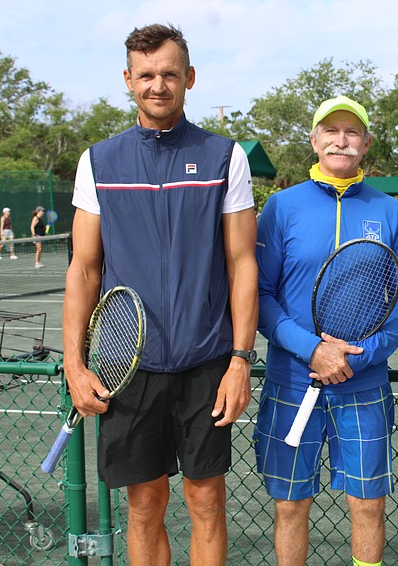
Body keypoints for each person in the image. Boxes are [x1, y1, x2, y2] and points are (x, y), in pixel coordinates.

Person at [63, 24, 258, 566]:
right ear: (128, 80)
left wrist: (240, 360)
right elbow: (83, 270)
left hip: (206, 365)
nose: (158, 84)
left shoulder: (225, 156)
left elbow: (243, 264)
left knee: (206, 500)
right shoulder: (99, 161)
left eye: (170, 73)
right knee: (145, 505)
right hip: (127, 365)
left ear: (189, 78)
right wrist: (75, 366)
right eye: (146, 74)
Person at [254, 95, 398, 566]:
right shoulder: (282, 208)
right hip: (291, 382)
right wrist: (312, 350)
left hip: (362, 385)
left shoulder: (389, 212)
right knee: (290, 506)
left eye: (351, 132)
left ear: (365, 144)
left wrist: (359, 356)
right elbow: (260, 296)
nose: (340, 139)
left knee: (368, 506)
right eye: (331, 131)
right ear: (314, 139)